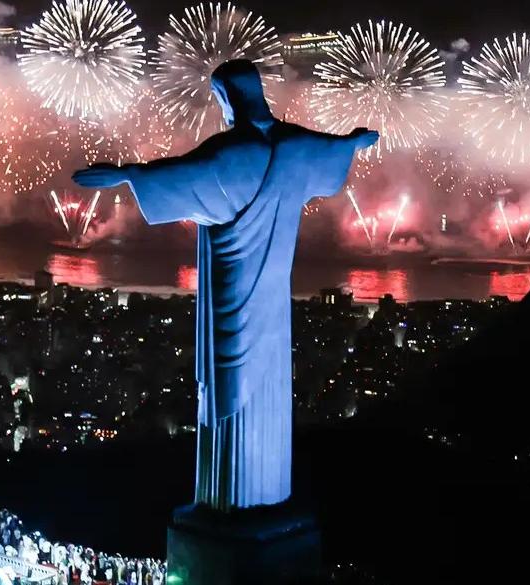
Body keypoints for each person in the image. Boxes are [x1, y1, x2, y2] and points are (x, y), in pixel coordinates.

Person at [74, 59, 378, 510]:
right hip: (275, 302)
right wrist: (355, 141)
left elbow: (180, 177)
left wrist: (127, 174)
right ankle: (267, 496)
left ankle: (230, 505)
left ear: (226, 97)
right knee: (268, 385)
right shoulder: (296, 146)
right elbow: (333, 151)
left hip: (231, 291)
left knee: (228, 388)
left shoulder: (232, 155)